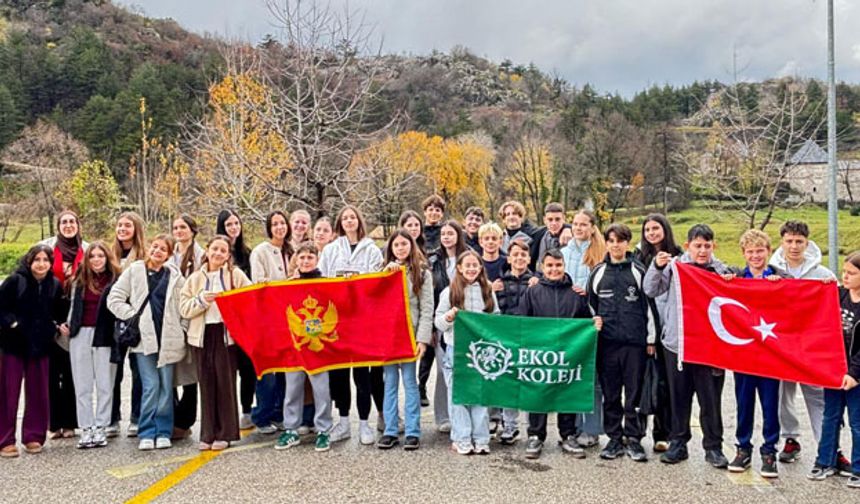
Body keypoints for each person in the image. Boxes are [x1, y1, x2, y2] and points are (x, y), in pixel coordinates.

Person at [644, 224, 731, 469]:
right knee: (679, 398)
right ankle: (678, 443)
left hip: (710, 347)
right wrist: (656, 267)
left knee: (710, 399)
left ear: (713, 246)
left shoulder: (721, 270)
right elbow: (650, 289)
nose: (702, 251)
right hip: (678, 344)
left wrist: (729, 281)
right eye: (697, 245)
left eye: (707, 246)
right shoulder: (674, 268)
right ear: (688, 245)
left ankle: (713, 447)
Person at [519, 249, 602, 459]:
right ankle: (536, 435)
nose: (554, 269)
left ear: (564, 266)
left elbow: (585, 323)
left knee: (567, 392)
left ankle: (568, 435)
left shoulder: (576, 294)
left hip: (568, 354)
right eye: (549, 266)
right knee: (538, 393)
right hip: (540, 354)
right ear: (542, 267)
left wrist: (593, 324)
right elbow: (522, 322)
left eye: (558, 265)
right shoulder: (532, 292)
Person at [107, 235, 187, 451]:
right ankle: (147, 431)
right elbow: (114, 299)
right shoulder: (134, 270)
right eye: (155, 246)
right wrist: (133, 316)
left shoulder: (175, 276)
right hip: (144, 340)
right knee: (151, 386)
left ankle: (163, 431)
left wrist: (183, 328)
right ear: (149, 247)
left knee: (166, 387)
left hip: (169, 338)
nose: (157, 251)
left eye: (163, 249)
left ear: (169, 255)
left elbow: (183, 305)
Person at [769, 220, 836, 464]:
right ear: (782, 242)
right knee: (782, 394)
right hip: (781, 344)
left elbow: (835, 307)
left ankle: (828, 445)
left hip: (811, 345)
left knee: (817, 395)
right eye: (789, 241)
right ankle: (790, 438)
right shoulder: (772, 271)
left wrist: (830, 289)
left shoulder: (823, 275)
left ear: (807, 243)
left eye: (799, 241)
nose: (794, 246)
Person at [586, 224, 655, 462]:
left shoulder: (638, 271)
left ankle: (634, 439)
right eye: (612, 241)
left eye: (620, 240)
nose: (616, 245)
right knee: (611, 394)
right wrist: (593, 329)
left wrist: (650, 339)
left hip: (635, 344)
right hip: (607, 345)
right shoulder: (598, 272)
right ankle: (614, 439)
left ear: (627, 243)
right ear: (606, 243)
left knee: (634, 394)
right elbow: (590, 308)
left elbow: (650, 307)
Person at [724, 229, 787, 478]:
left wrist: (782, 285)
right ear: (743, 253)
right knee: (744, 403)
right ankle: (743, 448)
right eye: (750, 252)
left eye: (760, 251)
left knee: (771, 405)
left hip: (771, 355)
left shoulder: (781, 278)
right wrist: (725, 281)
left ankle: (769, 451)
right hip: (744, 355)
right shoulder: (737, 278)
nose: (755, 256)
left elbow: (800, 298)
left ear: (768, 251)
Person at [319, 205, 384, 444]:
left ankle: (365, 424)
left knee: (362, 375)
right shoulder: (330, 250)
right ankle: (344, 422)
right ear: (340, 223)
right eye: (345, 218)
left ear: (359, 221)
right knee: (339, 375)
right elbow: (322, 280)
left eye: (352, 217)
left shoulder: (372, 250)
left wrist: (357, 284)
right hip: (338, 320)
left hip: (363, 321)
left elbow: (378, 283)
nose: (349, 221)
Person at [181, 235, 251, 451]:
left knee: (225, 384)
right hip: (202, 336)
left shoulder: (235, 275)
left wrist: (231, 301)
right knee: (206, 384)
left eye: (223, 250)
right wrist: (202, 300)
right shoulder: (194, 278)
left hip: (225, 335)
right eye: (215, 249)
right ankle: (208, 433)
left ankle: (226, 433)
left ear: (228, 255)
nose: (218, 253)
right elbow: (184, 308)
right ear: (207, 250)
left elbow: (249, 299)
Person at [0, 245, 66, 458]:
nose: (41, 264)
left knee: (38, 392)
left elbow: (59, 312)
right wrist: (13, 324)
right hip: (13, 345)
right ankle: (5, 440)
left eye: (46, 260)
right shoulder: (15, 281)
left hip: (40, 346)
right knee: (8, 393)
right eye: (37, 259)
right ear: (29, 261)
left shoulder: (54, 284)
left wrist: (55, 327)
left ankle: (33, 436)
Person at [435, 250, 500, 455]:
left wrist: (490, 323)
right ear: (460, 268)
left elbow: (496, 316)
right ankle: (461, 438)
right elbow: (438, 322)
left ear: (480, 268)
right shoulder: (449, 292)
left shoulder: (488, 290)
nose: (471, 269)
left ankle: (481, 438)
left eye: (475, 265)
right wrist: (449, 317)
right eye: (467, 265)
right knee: (459, 396)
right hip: (456, 351)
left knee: (480, 395)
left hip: (481, 352)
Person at [273, 242, 334, 452]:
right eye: (302, 257)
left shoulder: (326, 284)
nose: (306, 261)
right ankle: (291, 429)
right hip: (295, 347)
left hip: (318, 347)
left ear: (317, 259)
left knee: (321, 389)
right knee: (292, 389)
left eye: (310, 257)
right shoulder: (288, 285)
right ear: (296, 260)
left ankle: (324, 430)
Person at [376, 230, 433, 451]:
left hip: (409, 335)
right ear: (391, 248)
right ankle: (390, 430)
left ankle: (412, 431)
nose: (401, 248)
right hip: (388, 336)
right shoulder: (382, 270)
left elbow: (426, 308)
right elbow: (373, 298)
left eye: (404, 244)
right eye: (396, 245)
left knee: (410, 382)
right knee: (389, 382)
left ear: (411, 245)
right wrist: (385, 275)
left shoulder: (422, 273)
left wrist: (422, 339)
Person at [808, 251, 860, 488]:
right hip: (835, 372)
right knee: (830, 417)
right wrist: (823, 287)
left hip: (855, 376)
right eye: (844, 272)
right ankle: (825, 461)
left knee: (857, 423)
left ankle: (858, 468)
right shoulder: (838, 295)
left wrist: (855, 374)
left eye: (851, 273)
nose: (845, 277)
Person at [63, 242, 120, 449]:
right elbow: (71, 306)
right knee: (82, 385)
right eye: (92, 256)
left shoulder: (116, 280)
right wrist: (68, 325)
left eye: (100, 256)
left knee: (105, 384)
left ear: (107, 258)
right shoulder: (78, 280)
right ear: (87, 259)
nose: (96, 259)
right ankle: (86, 428)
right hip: (81, 334)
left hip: (105, 335)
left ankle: (101, 427)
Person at [633, 213, 681, 453]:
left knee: (665, 383)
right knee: (641, 382)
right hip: (643, 325)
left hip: (669, 327)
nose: (651, 233)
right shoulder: (638, 257)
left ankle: (663, 433)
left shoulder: (679, 255)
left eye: (656, 228)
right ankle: (636, 433)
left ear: (665, 229)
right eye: (647, 229)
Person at [39, 210, 88, 439]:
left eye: (72, 222)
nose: (68, 225)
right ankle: (53, 424)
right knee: (50, 373)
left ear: (78, 225)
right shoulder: (46, 248)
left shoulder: (86, 249)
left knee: (72, 372)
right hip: (50, 314)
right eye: (64, 222)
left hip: (76, 315)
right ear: (58, 226)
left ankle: (70, 422)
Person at [560, 209, 606, 448]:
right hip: (570, 323)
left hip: (591, 322)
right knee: (572, 376)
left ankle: (591, 428)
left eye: (583, 224)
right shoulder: (563, 253)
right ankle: (572, 428)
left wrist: (587, 293)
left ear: (592, 227)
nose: (578, 228)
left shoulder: (601, 253)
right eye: (575, 224)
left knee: (592, 378)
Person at [419, 220, 466, 426]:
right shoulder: (433, 260)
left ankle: (463, 415)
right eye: (443, 234)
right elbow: (428, 297)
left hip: (465, 322)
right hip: (442, 320)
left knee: (463, 370)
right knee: (442, 369)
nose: (446, 237)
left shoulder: (468, 256)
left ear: (458, 235)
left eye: (450, 233)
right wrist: (430, 326)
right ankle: (443, 416)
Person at [249, 211, 292, 435]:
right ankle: (262, 415)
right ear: (269, 228)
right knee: (267, 371)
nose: (279, 227)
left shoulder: (292, 250)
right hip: (267, 318)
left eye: (282, 223)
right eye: (274, 224)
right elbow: (258, 284)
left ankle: (280, 412)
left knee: (286, 370)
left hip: (289, 319)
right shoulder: (260, 252)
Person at [216, 209, 255, 429]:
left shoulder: (248, 254)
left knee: (248, 368)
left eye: (236, 223)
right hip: (222, 320)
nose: (234, 228)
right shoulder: (216, 252)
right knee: (226, 370)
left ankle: (247, 410)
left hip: (246, 320)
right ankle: (226, 414)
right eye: (229, 224)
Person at [110, 211, 147, 438]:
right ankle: (112, 418)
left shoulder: (144, 256)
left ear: (136, 230)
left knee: (138, 371)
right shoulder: (109, 255)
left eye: (128, 225)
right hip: (113, 320)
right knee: (114, 372)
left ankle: (137, 417)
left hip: (137, 321)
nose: (122, 229)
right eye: (120, 225)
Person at [493, 239, 533, 444]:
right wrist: (491, 289)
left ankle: (534, 428)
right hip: (506, 338)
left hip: (529, 338)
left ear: (529, 259)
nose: (519, 258)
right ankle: (510, 425)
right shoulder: (499, 283)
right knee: (508, 382)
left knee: (530, 382)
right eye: (515, 254)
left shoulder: (536, 282)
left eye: (523, 255)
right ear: (509, 258)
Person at [170, 214, 203, 439]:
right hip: (171, 318)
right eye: (175, 228)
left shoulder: (200, 255)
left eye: (183, 227)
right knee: (170, 372)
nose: (179, 231)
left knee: (190, 373)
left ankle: (185, 420)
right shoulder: (169, 253)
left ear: (192, 230)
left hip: (192, 316)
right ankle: (172, 417)